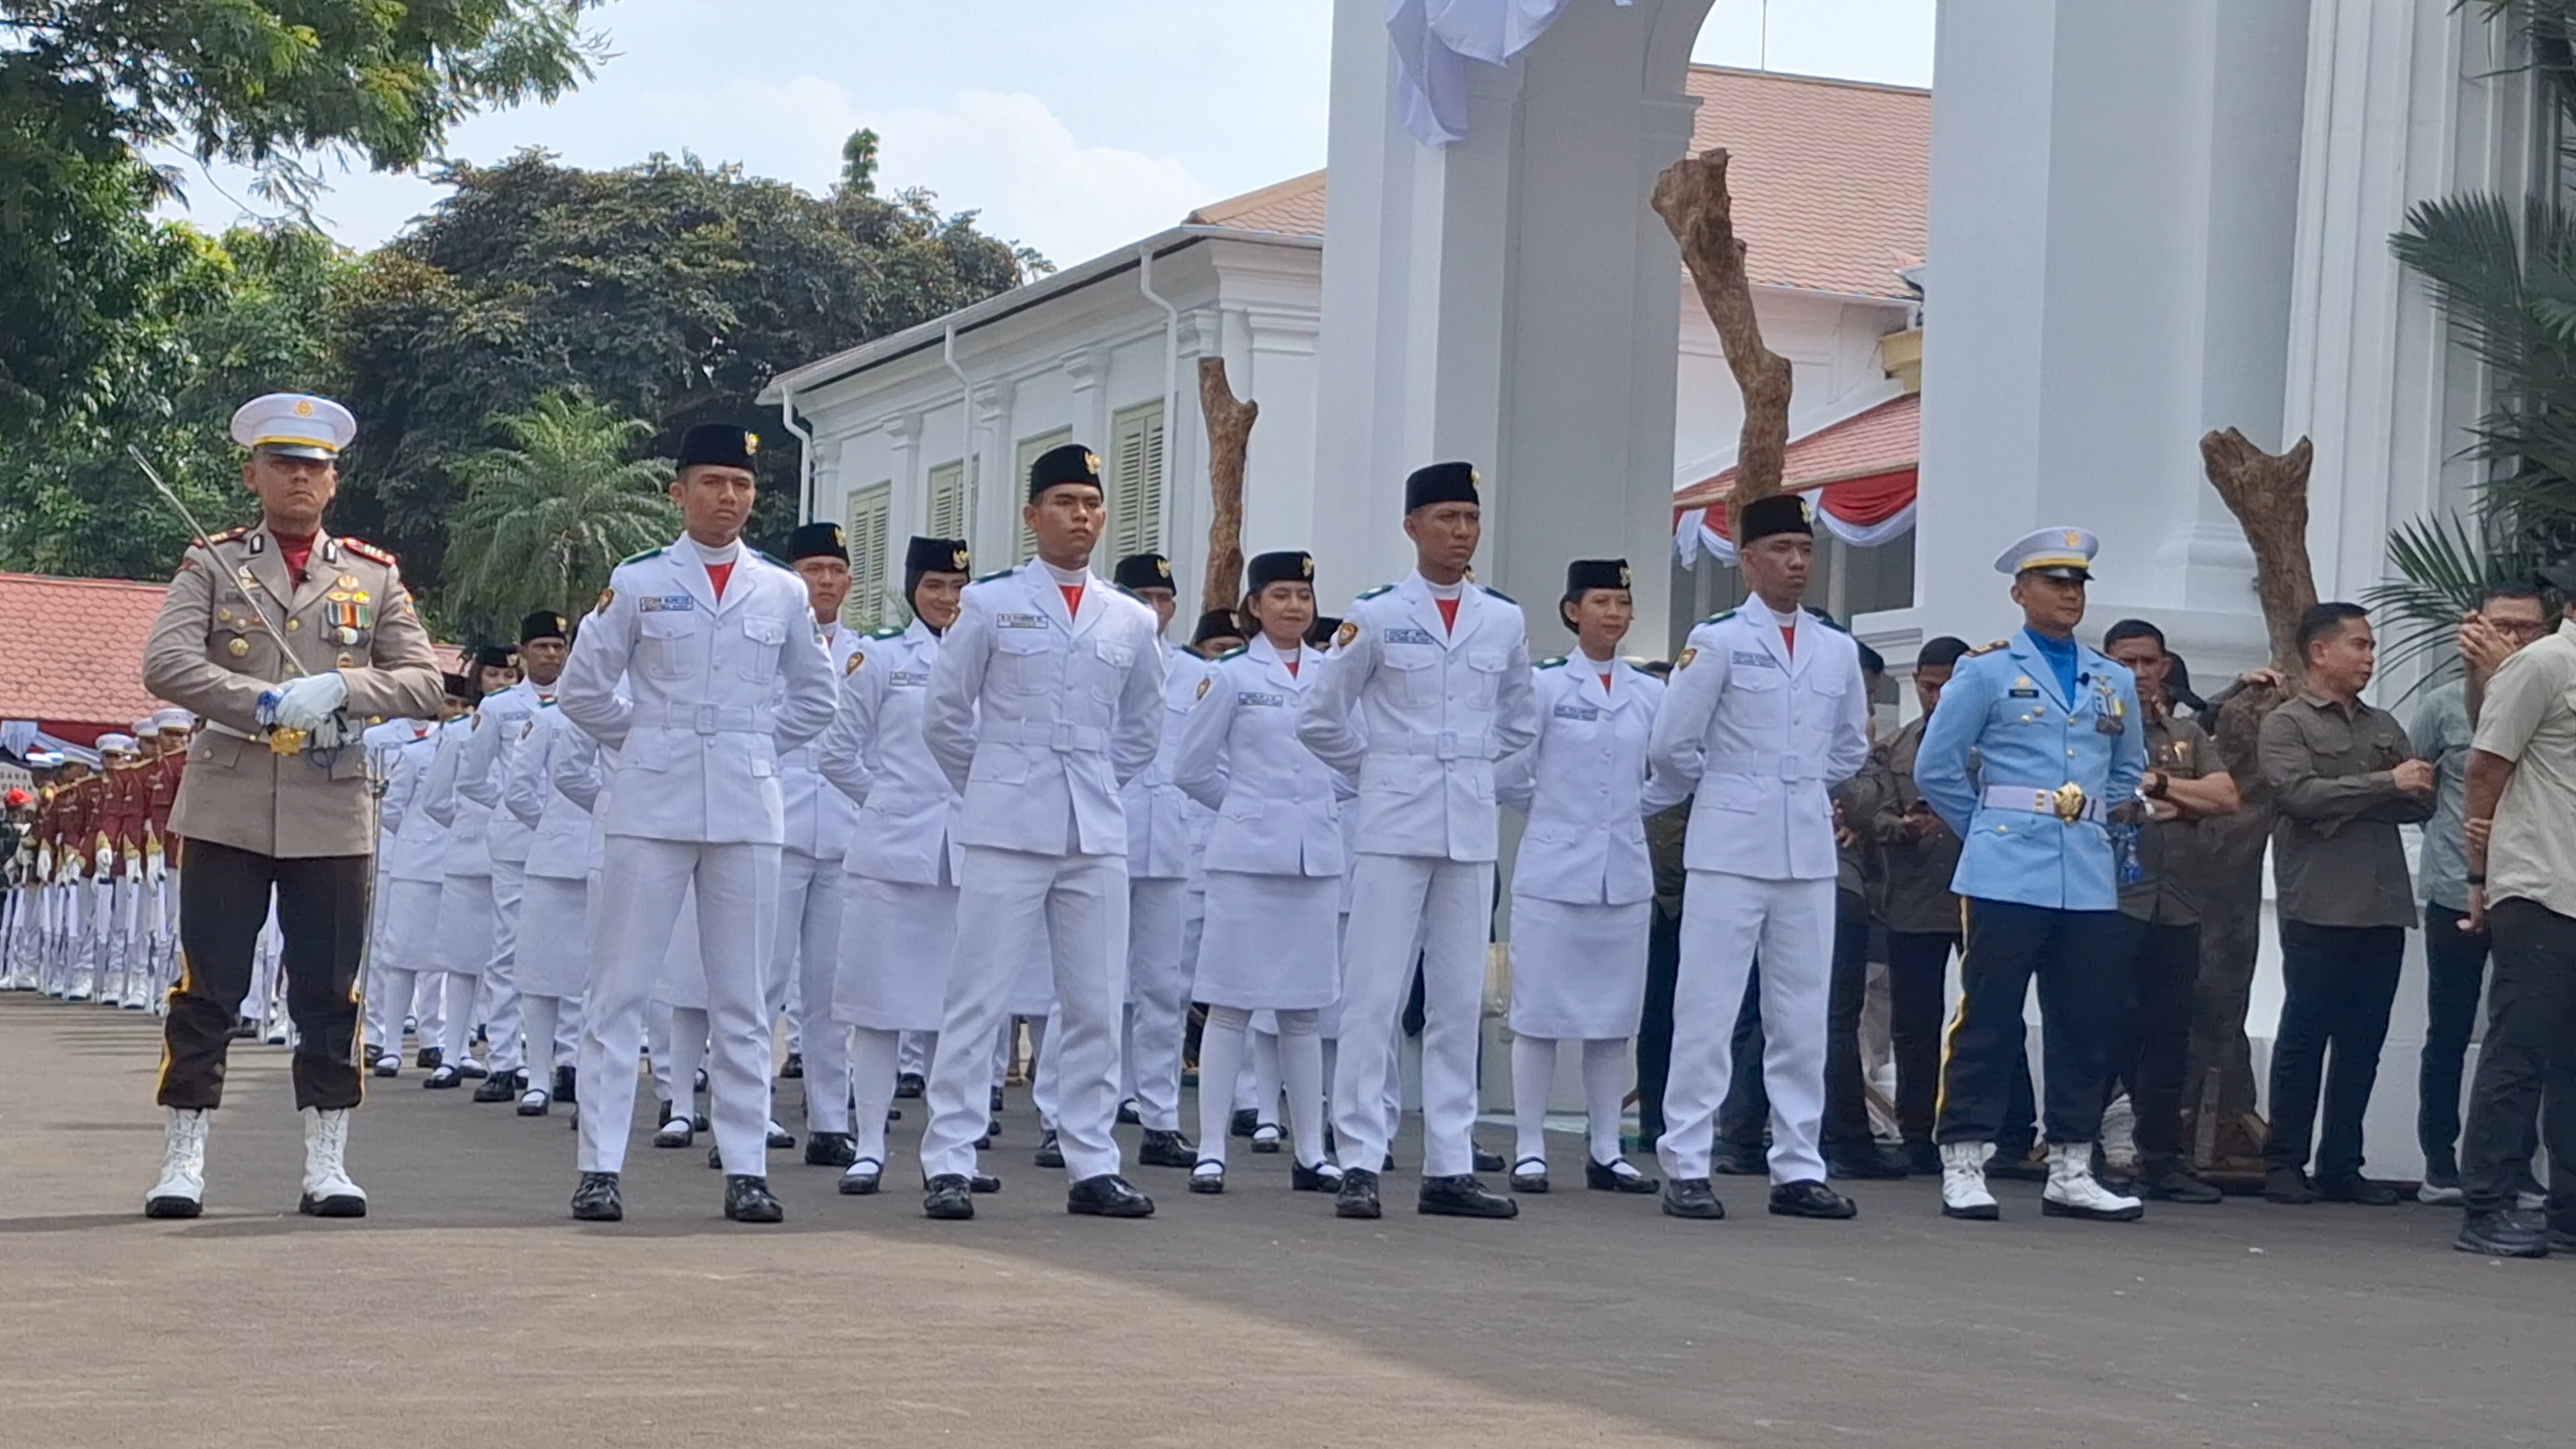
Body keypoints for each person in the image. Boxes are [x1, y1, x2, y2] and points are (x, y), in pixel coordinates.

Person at [138, 391, 443, 1219]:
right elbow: (165, 665)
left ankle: (326, 1159)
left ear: (335, 482)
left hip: (331, 806)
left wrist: (339, 686)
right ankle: (185, 1153)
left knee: (327, 990)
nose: (300, 479)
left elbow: (425, 683)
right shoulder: (213, 564)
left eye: (315, 467)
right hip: (228, 802)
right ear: (253, 475)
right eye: (284, 464)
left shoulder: (372, 577)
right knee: (210, 988)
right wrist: (262, 702)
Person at [555, 422, 842, 1225]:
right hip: (650, 802)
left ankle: (747, 1165)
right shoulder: (640, 581)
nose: (729, 498)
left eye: (742, 485)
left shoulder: (782, 590)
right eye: (712, 483)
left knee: (745, 998)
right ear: (678, 494)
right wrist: (647, 740)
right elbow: (583, 690)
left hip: (748, 806)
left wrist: (751, 745)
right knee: (618, 992)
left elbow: (817, 700)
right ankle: (600, 1166)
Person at [914, 443, 1165, 1222]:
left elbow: (1143, 728)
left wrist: (1089, 782)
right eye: (1064, 502)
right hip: (1004, 822)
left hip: (1093, 827)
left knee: (1094, 1001)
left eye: (1091, 504)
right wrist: (991, 785)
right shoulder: (991, 603)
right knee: (977, 997)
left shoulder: (1127, 616)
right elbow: (946, 717)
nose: (1080, 517)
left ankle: (1091, 1159)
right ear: (1032, 516)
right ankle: (950, 1157)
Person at [1297, 461, 1538, 1221]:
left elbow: (1521, 720)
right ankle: (1361, 1157)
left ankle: (1450, 1163)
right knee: (1374, 994)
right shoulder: (1376, 615)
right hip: (1393, 821)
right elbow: (1319, 715)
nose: (1462, 533)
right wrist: (1374, 769)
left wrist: (1470, 767)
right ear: (1412, 528)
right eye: (1445, 519)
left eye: (1470, 519)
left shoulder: (1503, 618)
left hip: (1466, 823)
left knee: (1459, 1000)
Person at [1646, 497, 1870, 1223]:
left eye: (1804, 550)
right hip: (1731, 842)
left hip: (1804, 843)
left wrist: (1797, 784)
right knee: (1707, 1007)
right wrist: (1728, 788)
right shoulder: (1716, 640)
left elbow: (1848, 747)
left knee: (1801, 1013)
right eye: (1779, 549)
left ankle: (1799, 1165)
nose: (1797, 563)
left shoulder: (1835, 648)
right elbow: (1673, 745)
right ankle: (1684, 1159)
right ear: (1747, 560)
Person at [1913, 527, 2145, 1224]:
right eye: (2054, 583)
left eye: (2077, 584)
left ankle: (2073, 1161)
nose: (2069, 595)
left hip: (2086, 865)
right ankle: (1964, 1155)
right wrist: (1987, 829)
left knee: (2085, 1020)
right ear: (2020, 593)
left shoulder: (2114, 679)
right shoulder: (1985, 672)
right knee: (1988, 1015)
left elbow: (2128, 768)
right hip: (2008, 863)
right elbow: (1937, 768)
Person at [1495, 558, 1678, 1195]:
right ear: (1573, 611)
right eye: (1601, 602)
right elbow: (1509, 771)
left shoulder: (1650, 693)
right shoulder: (1546, 686)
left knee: (1612, 1020)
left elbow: (1675, 770)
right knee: (1538, 1014)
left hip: (1623, 872)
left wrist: (1626, 813)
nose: (1614, 614)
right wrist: (1557, 816)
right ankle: (1529, 1146)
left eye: (1623, 604)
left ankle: (1606, 1148)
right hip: (1553, 869)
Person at [1174, 549, 1347, 1195]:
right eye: (1280, 596)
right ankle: (1213, 1148)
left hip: (1314, 859)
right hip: (1246, 859)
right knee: (1230, 1007)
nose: (1294, 607)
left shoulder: (1333, 674)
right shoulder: (1231, 676)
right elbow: (1191, 767)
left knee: (1303, 1013)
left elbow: (1354, 760)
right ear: (1253, 606)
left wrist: (1321, 807)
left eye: (1303, 595)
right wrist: (1249, 809)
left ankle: (1310, 1150)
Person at [2257, 602, 2434, 1205]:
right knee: (2305, 1033)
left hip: (2382, 901)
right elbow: (2300, 796)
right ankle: (2284, 1159)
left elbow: (2421, 803)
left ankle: (2341, 1162)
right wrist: (2383, 785)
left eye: (2370, 646)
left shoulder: (2381, 723)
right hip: (2320, 902)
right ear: (2319, 652)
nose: (2369, 657)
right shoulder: (2289, 724)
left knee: (2364, 1040)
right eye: (2358, 645)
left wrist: (2366, 794)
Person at [819, 537, 977, 1195]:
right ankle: (872, 1142)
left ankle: (951, 1152)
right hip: (890, 853)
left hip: (965, 855)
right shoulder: (880, 656)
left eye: (958, 588)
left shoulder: (988, 657)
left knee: (957, 1012)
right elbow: (836, 751)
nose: (946, 599)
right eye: (935, 586)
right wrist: (884, 801)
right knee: (878, 1007)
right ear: (914, 588)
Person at [2412, 586, 2555, 1204]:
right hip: (2456, 884)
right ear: (2474, 627)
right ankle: (2440, 1161)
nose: (2517, 637)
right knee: (2449, 1030)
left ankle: (2513, 1166)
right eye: (2503, 625)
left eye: (2528, 627)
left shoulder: (2552, 691)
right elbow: (2421, 787)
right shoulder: (2444, 705)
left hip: (2532, 888)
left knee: (2523, 1033)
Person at [2453, 560, 2576, 1257]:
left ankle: (2569, 1207)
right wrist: (2481, 878)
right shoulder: (2543, 665)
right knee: (2518, 1052)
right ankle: (2489, 1202)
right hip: (2539, 882)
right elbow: (2484, 768)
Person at [2098, 619, 2238, 1204]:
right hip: (2108, 900)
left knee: (2168, 1035)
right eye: (2126, 662)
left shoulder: (2186, 733)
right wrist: (2182, 801)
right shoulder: (2089, 728)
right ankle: (2079, 1152)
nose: (2139, 674)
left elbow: (2226, 797)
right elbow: (2099, 801)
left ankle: (2161, 1159)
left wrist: (2157, 785)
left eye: (2149, 662)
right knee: (2100, 1029)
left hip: (2177, 903)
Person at [1106, 549, 1202, 1171]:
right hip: (1106, 831)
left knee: (1163, 990)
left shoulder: (1196, 671)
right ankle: (1067, 1113)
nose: (1154, 609)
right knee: (1089, 986)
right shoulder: (1101, 654)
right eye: (1141, 596)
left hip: (1169, 841)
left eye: (1163, 598)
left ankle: (1160, 1116)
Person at [773, 521, 864, 1165]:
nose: (824, 582)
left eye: (835, 571)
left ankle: (831, 1120)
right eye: (812, 570)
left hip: (844, 833)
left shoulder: (868, 653)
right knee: (759, 984)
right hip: (775, 826)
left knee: (833, 987)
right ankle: (742, 1119)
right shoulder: (768, 640)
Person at [1865, 636, 1970, 1175]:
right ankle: (1915, 1132)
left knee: (1989, 1016)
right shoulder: (1898, 747)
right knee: (1915, 1022)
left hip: (1979, 894)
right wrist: (1900, 828)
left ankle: (1998, 1129)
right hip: (1911, 897)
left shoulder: (1994, 745)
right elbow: (1873, 816)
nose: (1938, 697)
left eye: (1949, 686)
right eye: (1929, 687)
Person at [457, 612, 570, 1104]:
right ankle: (504, 1059)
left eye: (557, 646)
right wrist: (513, 805)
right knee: (509, 951)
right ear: (522, 654)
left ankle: (567, 1060)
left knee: (571, 952)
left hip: (569, 843)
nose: (550, 654)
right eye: (541, 646)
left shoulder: (582, 704)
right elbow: (472, 778)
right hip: (519, 843)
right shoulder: (501, 708)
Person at [417, 645, 515, 1087]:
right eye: (493, 676)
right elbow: (437, 799)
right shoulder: (459, 732)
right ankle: (452, 1052)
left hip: (516, 856)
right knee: (461, 960)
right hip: (469, 854)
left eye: (509, 677)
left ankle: (507, 1054)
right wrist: (469, 826)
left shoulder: (535, 723)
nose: (502, 684)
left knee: (511, 959)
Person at [500, 662, 592, 1115]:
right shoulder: (550, 718)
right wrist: (553, 826)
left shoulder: (630, 715)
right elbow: (518, 789)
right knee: (540, 973)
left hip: (609, 856)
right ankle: (538, 1075)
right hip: (554, 860)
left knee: (594, 975)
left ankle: (578, 1066)